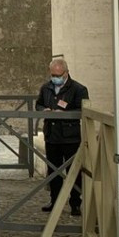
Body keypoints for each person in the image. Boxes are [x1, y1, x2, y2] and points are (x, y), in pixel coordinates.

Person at [35, 57, 89, 217]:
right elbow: (38, 103)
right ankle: (55, 201)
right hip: (52, 135)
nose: (55, 78)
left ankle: (75, 203)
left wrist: (65, 114)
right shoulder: (46, 88)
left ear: (66, 73)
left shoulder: (79, 89)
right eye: (53, 75)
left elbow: (84, 110)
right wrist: (43, 110)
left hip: (70, 137)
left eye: (58, 75)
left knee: (74, 171)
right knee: (53, 170)